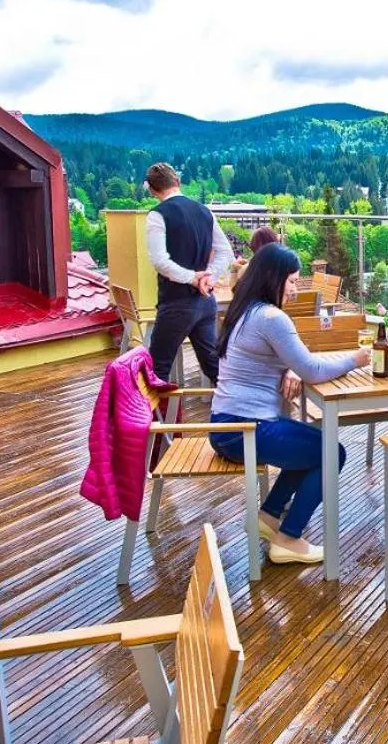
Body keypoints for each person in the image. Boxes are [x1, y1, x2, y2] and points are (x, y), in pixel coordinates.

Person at [208, 243, 368, 565]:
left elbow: (294, 361)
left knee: (314, 448)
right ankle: (288, 538)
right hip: (246, 430)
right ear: (273, 278)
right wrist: (356, 358)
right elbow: (313, 369)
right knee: (330, 452)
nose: (295, 290)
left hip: (228, 425)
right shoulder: (271, 317)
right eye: (292, 281)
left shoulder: (245, 309)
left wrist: (292, 367)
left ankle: (268, 518)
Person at [144, 163, 233, 386]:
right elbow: (226, 252)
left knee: (157, 370)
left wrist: (193, 278)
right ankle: (243, 413)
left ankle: (155, 421)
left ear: (152, 190)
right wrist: (208, 278)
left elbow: (160, 261)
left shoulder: (157, 215)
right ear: (178, 182)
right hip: (205, 302)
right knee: (214, 367)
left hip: (176, 304)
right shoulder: (205, 211)